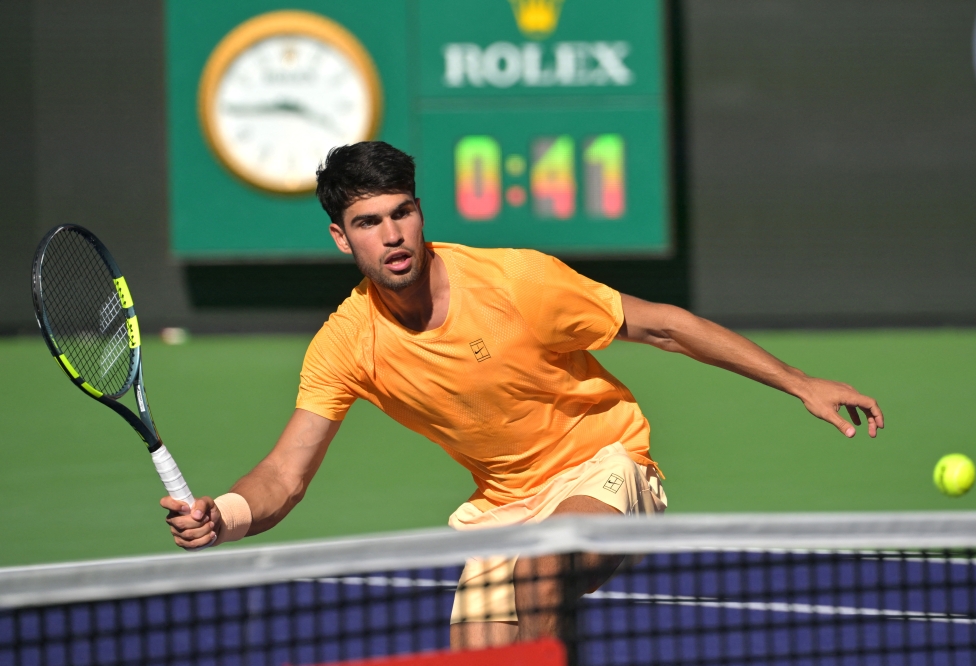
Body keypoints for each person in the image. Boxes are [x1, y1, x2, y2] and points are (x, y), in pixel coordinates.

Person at [162, 141, 884, 648]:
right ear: (340, 237)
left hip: (608, 466)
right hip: (504, 505)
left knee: (547, 561)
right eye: (369, 223)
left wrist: (799, 383)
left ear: (420, 212)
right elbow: (286, 476)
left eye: (402, 212)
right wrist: (221, 515)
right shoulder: (346, 344)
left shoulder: (516, 282)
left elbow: (663, 326)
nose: (393, 235)